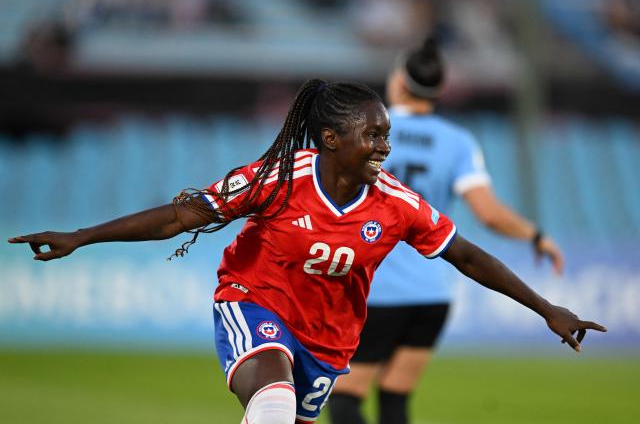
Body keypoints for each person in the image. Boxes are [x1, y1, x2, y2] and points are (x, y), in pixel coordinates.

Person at [8, 79, 604, 424]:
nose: (383, 145)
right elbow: (178, 215)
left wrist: (546, 307)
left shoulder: (397, 204)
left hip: (330, 340)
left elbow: (468, 256)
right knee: (272, 394)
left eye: (386, 134)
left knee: (285, 412)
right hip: (253, 303)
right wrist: (80, 237)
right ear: (331, 139)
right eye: (372, 134)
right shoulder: (275, 178)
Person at [328, 38, 565, 424]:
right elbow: (487, 213)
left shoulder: (367, 131)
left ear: (400, 81)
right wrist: (535, 236)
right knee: (395, 396)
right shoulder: (458, 142)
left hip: (376, 287)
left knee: (344, 398)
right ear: (438, 90)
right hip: (432, 291)